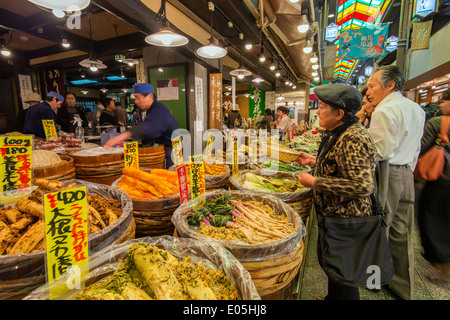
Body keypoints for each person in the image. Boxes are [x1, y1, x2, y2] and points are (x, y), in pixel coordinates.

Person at [295, 83, 377, 300]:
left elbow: (362, 185)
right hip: (334, 215)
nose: (318, 111)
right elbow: (340, 165)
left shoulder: (354, 138)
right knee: (333, 267)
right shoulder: (340, 131)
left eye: (322, 107)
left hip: (346, 219)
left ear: (339, 113)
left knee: (343, 274)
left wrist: (315, 182)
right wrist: (314, 160)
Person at [366, 65, 425, 300]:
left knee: (378, 229)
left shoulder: (384, 110)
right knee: (402, 232)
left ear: (389, 85)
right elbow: (417, 146)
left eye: (372, 86)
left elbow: (380, 152)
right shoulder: (416, 108)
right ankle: (403, 287)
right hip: (407, 175)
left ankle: (373, 281)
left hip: (387, 173)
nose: (368, 91)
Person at [104, 83, 179, 168]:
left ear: (150, 96)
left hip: (171, 153)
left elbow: (147, 128)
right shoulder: (153, 109)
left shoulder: (159, 111)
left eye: (138, 97)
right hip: (167, 150)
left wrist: (119, 138)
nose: (135, 101)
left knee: (170, 178)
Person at [418, 88, 450, 282]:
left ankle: (441, 263)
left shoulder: (438, 123)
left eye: (443, 101)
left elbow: (418, 147)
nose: (440, 105)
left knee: (430, 219)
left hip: (440, 180)